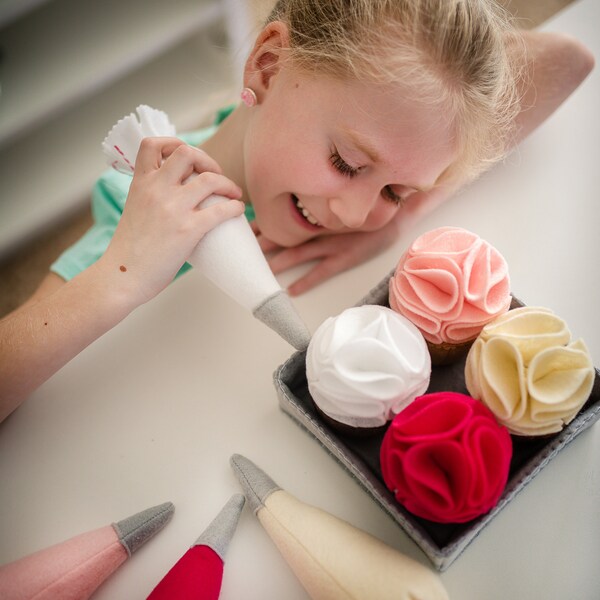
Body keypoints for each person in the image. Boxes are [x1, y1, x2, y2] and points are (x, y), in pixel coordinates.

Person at [0, 0, 594, 420]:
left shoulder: (360, 188)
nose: (359, 213)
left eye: (394, 189)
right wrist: (120, 275)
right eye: (348, 163)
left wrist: (406, 215)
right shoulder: (134, 223)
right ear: (268, 65)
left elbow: (569, 59)